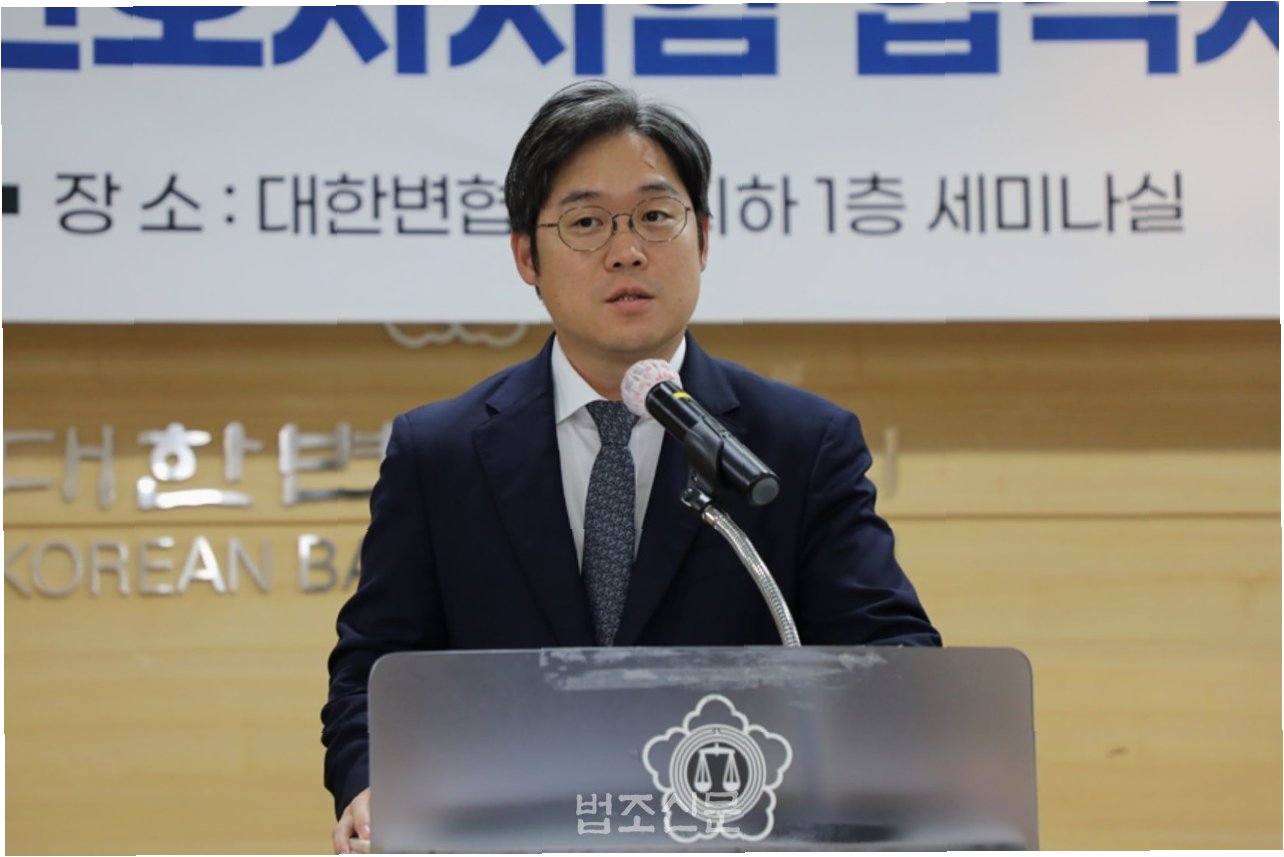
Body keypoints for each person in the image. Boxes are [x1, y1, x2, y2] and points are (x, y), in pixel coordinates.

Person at [321, 80, 940, 854]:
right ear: (526, 256)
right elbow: (374, 669)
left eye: (655, 215)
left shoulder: (798, 445)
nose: (627, 249)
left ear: (703, 238)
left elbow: (891, 659)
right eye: (586, 222)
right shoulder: (440, 453)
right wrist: (371, 783)